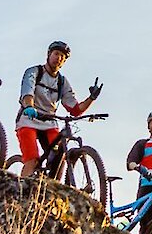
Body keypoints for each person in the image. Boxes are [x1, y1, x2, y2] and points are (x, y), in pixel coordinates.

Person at [14, 40, 101, 175]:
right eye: (56, 54)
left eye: (62, 57)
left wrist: (92, 98)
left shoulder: (62, 82)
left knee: (60, 157)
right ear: (48, 54)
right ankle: (22, 192)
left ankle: (52, 188)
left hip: (49, 122)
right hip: (28, 119)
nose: (59, 58)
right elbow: (27, 92)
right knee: (32, 160)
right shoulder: (34, 72)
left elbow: (75, 109)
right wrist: (29, 106)